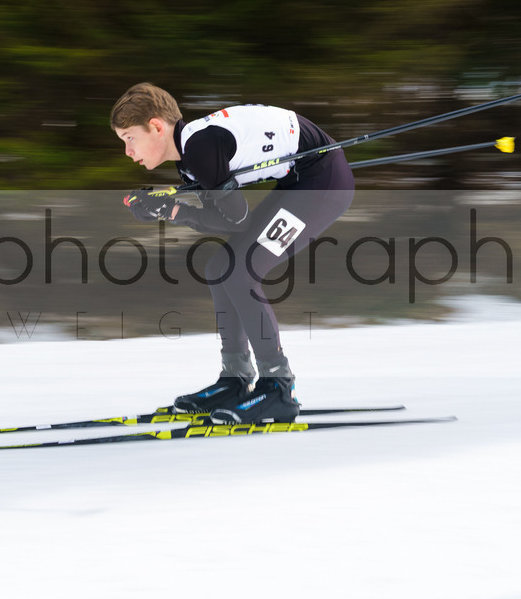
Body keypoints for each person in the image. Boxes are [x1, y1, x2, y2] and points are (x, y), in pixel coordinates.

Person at [111, 82, 354, 424]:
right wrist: (171, 207)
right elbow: (230, 219)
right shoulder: (190, 154)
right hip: (300, 180)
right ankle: (236, 379)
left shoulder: (200, 147)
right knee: (219, 267)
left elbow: (236, 219)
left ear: (156, 126)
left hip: (324, 183)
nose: (128, 151)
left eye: (129, 138)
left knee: (240, 271)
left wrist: (173, 211)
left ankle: (279, 389)